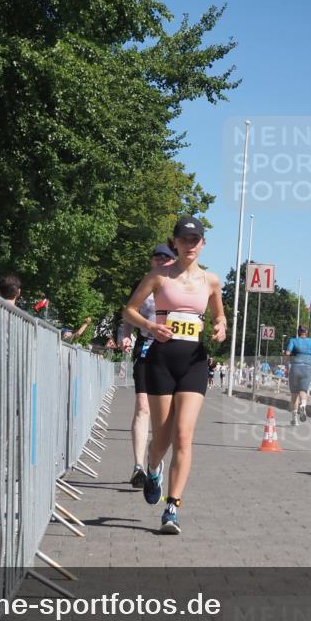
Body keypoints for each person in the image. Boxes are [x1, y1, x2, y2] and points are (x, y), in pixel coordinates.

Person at [123, 217, 226, 534]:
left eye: (196, 239)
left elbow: (218, 313)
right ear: (175, 243)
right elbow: (130, 310)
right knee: (162, 438)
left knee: (184, 434)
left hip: (194, 361)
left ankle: (172, 508)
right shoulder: (158, 276)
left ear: (203, 244)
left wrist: (221, 324)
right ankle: (153, 467)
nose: (191, 244)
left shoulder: (211, 281)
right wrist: (151, 326)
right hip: (160, 360)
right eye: (185, 239)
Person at [125, 242, 176, 489]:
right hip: (146, 346)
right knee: (142, 406)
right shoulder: (142, 285)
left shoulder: (179, 286)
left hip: (173, 351)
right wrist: (126, 334)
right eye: (156, 258)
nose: (160, 262)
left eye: (165, 259)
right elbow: (127, 313)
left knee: (165, 414)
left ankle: (154, 460)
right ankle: (138, 467)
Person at [284, 325, 311, 426]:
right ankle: (303, 405)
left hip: (295, 367)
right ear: (307, 332)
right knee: (303, 391)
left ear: (298, 332)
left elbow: (287, 353)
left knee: (294, 395)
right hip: (307, 368)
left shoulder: (293, 341)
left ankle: (294, 419)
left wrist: (286, 366)